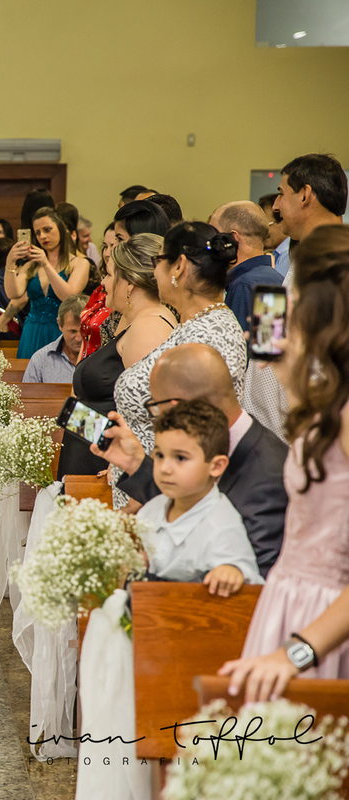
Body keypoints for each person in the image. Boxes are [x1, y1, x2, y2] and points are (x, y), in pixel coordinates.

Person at [218, 225, 349, 702]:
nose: (285, 302)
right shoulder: (330, 400)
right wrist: (285, 368)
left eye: (296, 292)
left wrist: (296, 652)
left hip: (324, 622)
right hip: (288, 599)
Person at [95, 342, 286, 575]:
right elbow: (189, 506)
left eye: (156, 407)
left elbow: (256, 578)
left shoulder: (269, 474)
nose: (157, 417)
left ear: (180, 406)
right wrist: (135, 463)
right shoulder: (219, 445)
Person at [112, 222, 247, 499]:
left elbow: (197, 435)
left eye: (157, 261)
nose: (154, 272)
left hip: (169, 494)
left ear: (178, 266)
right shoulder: (196, 323)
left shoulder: (209, 334)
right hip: (148, 487)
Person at [243, 154, 348, 442]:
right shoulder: (302, 257)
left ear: (305, 195)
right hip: (269, 434)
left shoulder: (337, 266)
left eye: (281, 193)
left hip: (303, 438)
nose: (276, 206)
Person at [59, 234, 175, 479]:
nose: (103, 283)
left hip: (106, 463)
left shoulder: (149, 328)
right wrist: (71, 418)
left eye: (110, 275)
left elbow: (145, 413)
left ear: (130, 284)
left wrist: (119, 463)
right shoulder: (133, 321)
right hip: (91, 451)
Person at [136, 399, 263, 593]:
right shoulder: (150, 510)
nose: (164, 468)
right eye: (159, 455)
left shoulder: (221, 527)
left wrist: (232, 571)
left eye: (180, 458)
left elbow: (249, 586)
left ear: (216, 466)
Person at [4, 207, 90, 357]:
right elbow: (13, 293)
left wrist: (46, 264)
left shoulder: (80, 264)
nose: (42, 236)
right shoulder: (30, 266)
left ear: (60, 229)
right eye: (38, 233)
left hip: (60, 332)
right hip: (31, 331)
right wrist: (10, 262)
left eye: (47, 229)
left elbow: (69, 296)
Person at [210, 200, 282, 330]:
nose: (210, 245)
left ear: (232, 239)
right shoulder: (275, 278)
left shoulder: (243, 285)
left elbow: (237, 341)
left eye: (214, 237)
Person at [77, 223, 119, 359]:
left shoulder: (123, 297)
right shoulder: (100, 291)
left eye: (113, 246)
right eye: (105, 246)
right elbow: (86, 339)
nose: (107, 253)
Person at [23, 293, 86, 383]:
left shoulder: (104, 358)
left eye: (84, 331)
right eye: (72, 331)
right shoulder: (40, 359)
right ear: (59, 324)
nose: (79, 338)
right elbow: (28, 391)